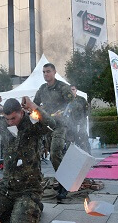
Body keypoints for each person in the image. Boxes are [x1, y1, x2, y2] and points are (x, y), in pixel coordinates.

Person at [0, 93, 55, 223]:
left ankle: (34, 206)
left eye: (13, 118)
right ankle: (16, 208)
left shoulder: (32, 123)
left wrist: (33, 106)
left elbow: (51, 124)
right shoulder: (1, 123)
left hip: (29, 188)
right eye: (7, 119)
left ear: (21, 113)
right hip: (7, 187)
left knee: (19, 221)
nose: (10, 122)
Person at [33, 63, 74, 200]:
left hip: (60, 125)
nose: (46, 74)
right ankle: (63, 180)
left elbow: (71, 103)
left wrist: (62, 113)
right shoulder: (42, 89)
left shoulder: (63, 87)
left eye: (48, 71)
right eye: (44, 72)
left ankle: (65, 184)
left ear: (54, 72)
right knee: (54, 155)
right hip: (48, 126)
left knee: (55, 153)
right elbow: (35, 104)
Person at [68, 85, 90, 154]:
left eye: (73, 89)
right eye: (70, 90)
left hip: (81, 123)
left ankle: (88, 154)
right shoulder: (67, 101)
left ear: (76, 90)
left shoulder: (81, 99)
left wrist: (81, 120)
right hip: (71, 124)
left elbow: (87, 111)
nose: (72, 91)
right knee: (72, 140)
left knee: (83, 139)